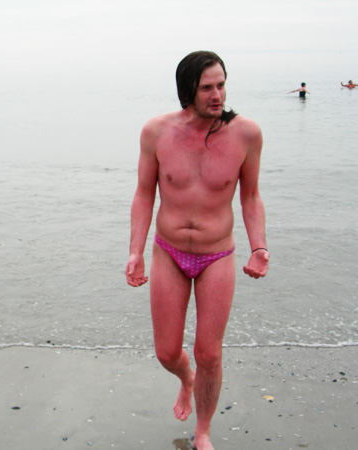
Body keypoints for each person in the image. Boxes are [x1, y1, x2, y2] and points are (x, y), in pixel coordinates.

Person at [126, 51, 269, 450]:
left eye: (221, 84)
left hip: (217, 255)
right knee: (168, 352)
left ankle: (203, 431)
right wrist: (135, 251)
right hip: (168, 250)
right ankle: (185, 380)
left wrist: (259, 247)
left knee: (209, 353)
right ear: (187, 89)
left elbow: (251, 197)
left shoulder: (246, 134)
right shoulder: (156, 131)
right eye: (207, 87)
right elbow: (143, 194)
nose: (217, 94)